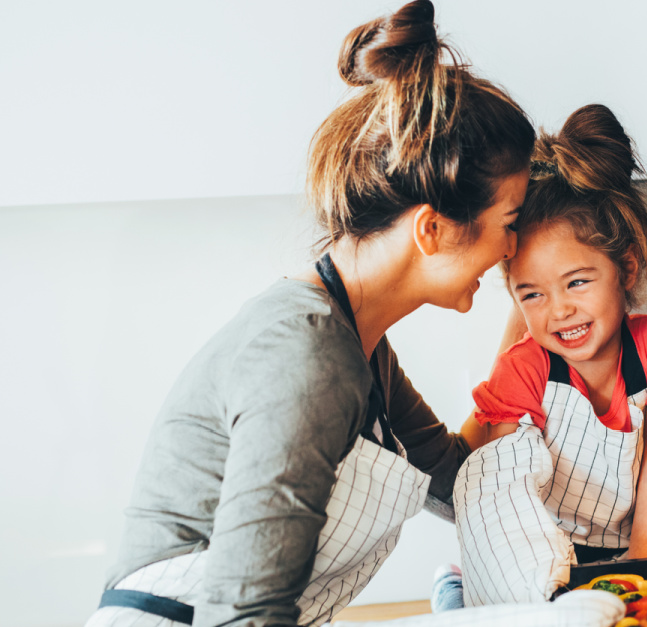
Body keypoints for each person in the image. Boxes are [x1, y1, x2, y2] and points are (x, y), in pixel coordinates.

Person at [84, 2, 535, 626]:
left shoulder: (358, 343)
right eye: (509, 225)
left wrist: (538, 355)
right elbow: (243, 613)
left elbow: (456, 480)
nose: (512, 250)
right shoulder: (307, 356)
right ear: (432, 229)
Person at [451, 105, 647, 605]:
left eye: (577, 282)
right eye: (533, 294)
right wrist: (551, 596)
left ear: (625, 271)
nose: (560, 310)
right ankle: (452, 586)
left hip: (618, 552)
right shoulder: (526, 369)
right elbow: (504, 501)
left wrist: (640, 579)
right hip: (532, 560)